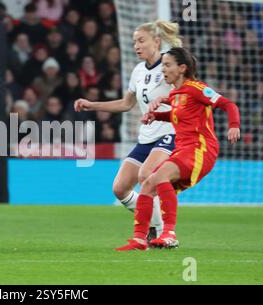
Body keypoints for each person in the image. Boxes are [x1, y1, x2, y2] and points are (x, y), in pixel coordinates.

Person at [115, 47, 240, 251]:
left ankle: (169, 234)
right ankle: (139, 239)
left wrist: (234, 125)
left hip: (200, 148)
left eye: (167, 65)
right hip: (183, 149)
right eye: (162, 65)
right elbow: (176, 116)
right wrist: (156, 116)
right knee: (148, 185)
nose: (163, 69)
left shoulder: (196, 88)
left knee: (158, 176)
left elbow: (228, 104)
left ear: (182, 68)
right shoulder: (175, 94)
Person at [75, 20, 183, 240]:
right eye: (134, 42)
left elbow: (187, 94)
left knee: (147, 176)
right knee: (120, 188)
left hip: (170, 133)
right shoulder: (138, 70)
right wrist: (93, 105)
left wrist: (169, 101)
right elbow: (126, 104)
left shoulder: (168, 64)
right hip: (146, 138)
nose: (137, 46)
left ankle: (165, 234)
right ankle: (154, 224)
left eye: (141, 40)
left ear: (156, 41)